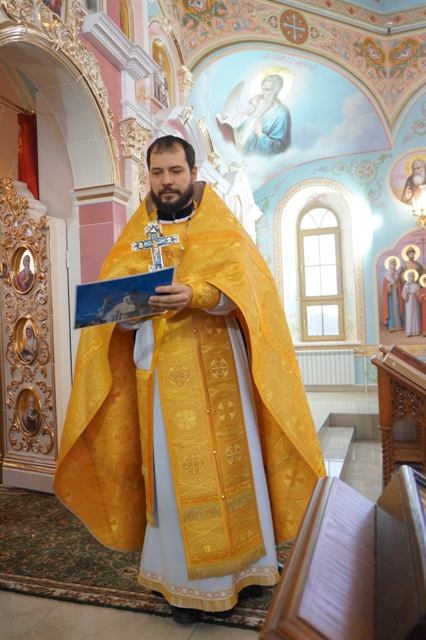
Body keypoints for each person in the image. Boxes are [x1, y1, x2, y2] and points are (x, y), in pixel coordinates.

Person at [54, 135, 325, 624]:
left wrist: (199, 294)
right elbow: (113, 317)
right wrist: (130, 312)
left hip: (222, 372)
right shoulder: (138, 235)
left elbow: (250, 293)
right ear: (149, 176)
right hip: (162, 377)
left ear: (193, 173)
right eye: (157, 173)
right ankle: (183, 585)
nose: (167, 181)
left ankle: (250, 568)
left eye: (175, 171)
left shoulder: (221, 226)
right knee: (171, 475)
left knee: (237, 463)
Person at [239, 74, 291, 156]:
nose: (263, 93)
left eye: (267, 90)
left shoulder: (282, 113)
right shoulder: (261, 103)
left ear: (276, 91)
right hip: (243, 149)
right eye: (262, 89)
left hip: (255, 158)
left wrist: (260, 134)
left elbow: (277, 148)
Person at [383, 257, 403, 332]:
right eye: (392, 264)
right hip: (390, 295)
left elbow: (400, 284)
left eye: (395, 264)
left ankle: (398, 325)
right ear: (389, 265)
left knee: (397, 308)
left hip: (396, 293)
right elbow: (385, 286)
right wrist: (389, 285)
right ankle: (392, 326)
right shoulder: (386, 274)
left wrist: (397, 284)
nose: (393, 265)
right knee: (391, 309)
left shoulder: (397, 274)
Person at [401, 269, 421, 337]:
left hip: (415, 301)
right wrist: (406, 294)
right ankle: (409, 332)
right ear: (409, 277)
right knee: (409, 315)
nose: (412, 277)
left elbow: (418, 293)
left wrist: (418, 292)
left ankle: (416, 331)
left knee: (416, 314)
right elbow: (403, 293)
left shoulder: (416, 285)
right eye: (411, 276)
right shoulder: (406, 285)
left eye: (413, 276)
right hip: (409, 301)